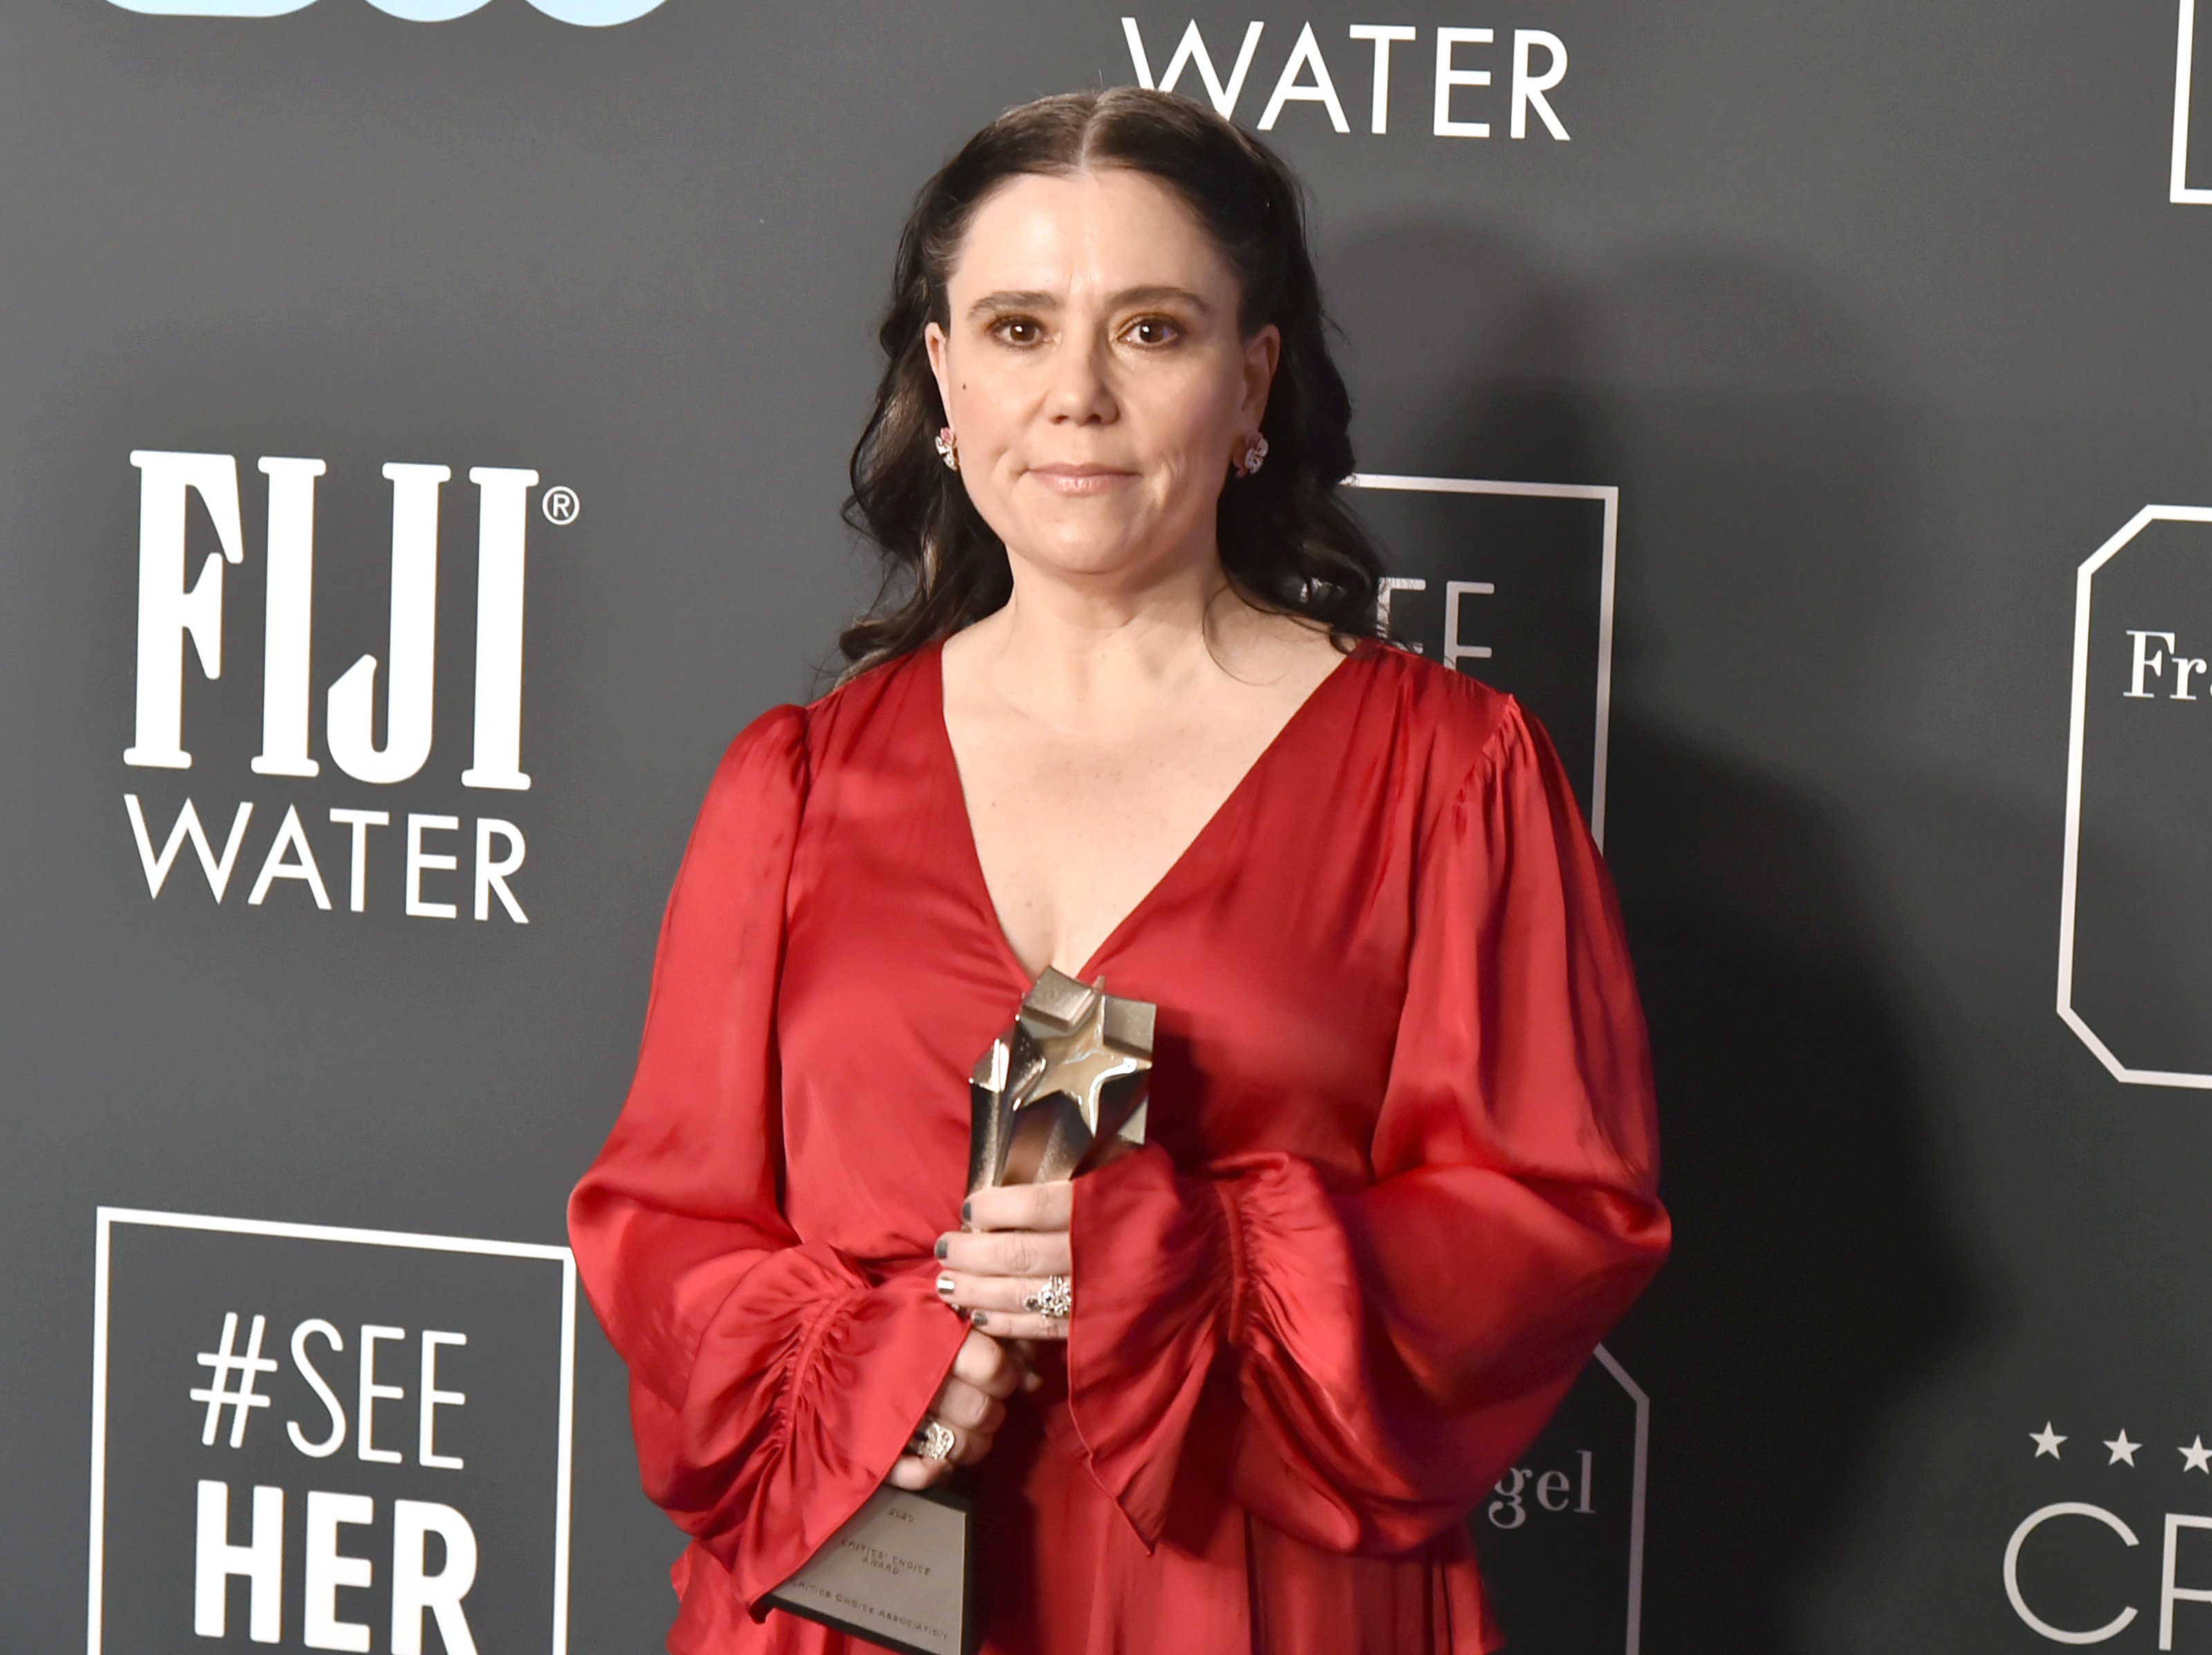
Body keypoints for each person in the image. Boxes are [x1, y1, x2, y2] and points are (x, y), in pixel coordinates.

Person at [568, 86, 1669, 1655]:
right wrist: (873, 1371)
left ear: (1253, 384)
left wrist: (1197, 1271)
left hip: (1256, 1592)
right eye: (1017, 330)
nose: (1075, 395)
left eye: (1151, 331)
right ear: (943, 379)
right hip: (863, 1588)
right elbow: (666, 1228)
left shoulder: (1451, 773)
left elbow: (1557, 1216)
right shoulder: (795, 785)